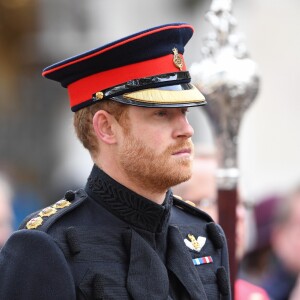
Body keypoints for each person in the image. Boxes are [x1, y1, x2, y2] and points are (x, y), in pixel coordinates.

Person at [0, 23, 231, 299]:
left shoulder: (204, 233)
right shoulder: (45, 247)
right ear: (107, 128)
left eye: (184, 112)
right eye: (161, 114)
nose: (186, 129)